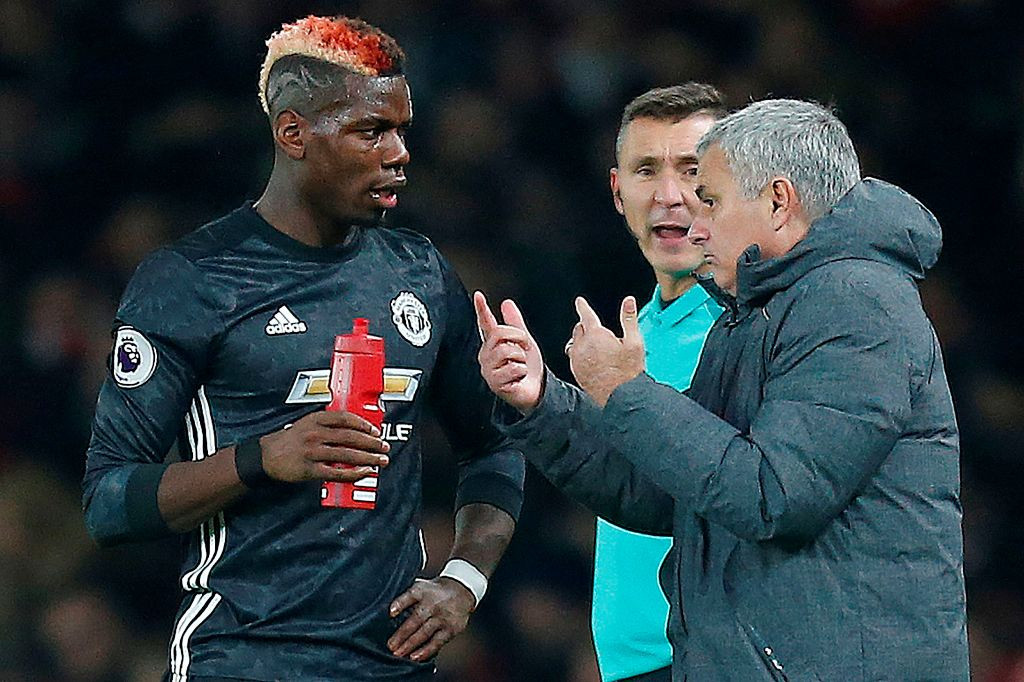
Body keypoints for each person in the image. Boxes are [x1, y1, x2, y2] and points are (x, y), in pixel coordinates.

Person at [82, 15, 525, 682]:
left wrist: (463, 581)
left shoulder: (421, 275)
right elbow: (109, 501)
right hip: (244, 653)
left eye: (403, 130)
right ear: (293, 133)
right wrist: (263, 458)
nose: (399, 152)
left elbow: (494, 444)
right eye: (370, 131)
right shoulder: (193, 280)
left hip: (394, 661)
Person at [475, 99, 968, 680]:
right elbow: (673, 489)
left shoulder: (855, 304)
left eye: (709, 199)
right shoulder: (757, 312)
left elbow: (773, 493)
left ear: (778, 202)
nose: (695, 224)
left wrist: (627, 391)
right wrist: (546, 405)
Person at [593, 84, 724, 682]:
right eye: (647, 170)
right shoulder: (630, 336)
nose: (669, 196)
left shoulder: (757, 329)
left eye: (692, 171)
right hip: (630, 666)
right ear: (618, 192)